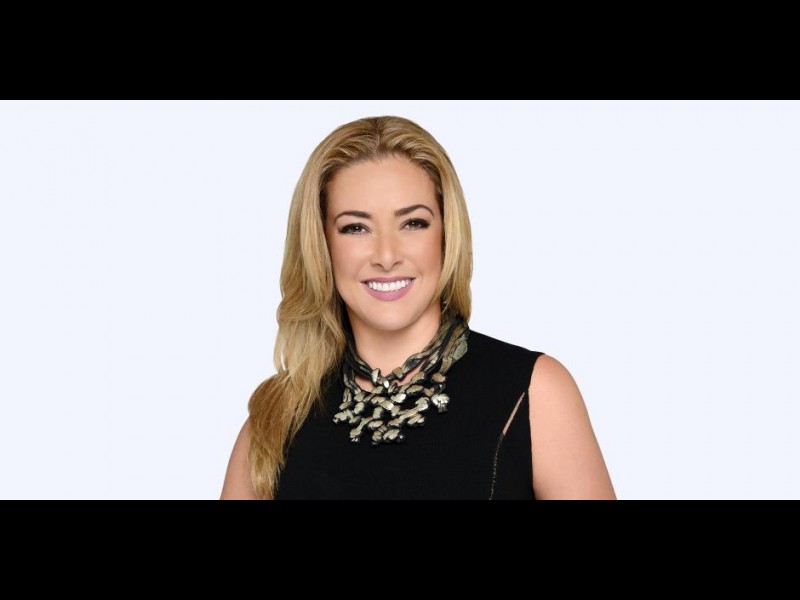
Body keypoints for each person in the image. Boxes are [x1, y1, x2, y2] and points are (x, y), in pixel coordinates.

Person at [221, 115, 616, 500]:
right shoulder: (276, 417)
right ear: (321, 245)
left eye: (413, 223)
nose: (386, 255)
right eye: (355, 227)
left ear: (446, 233)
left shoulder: (535, 391)